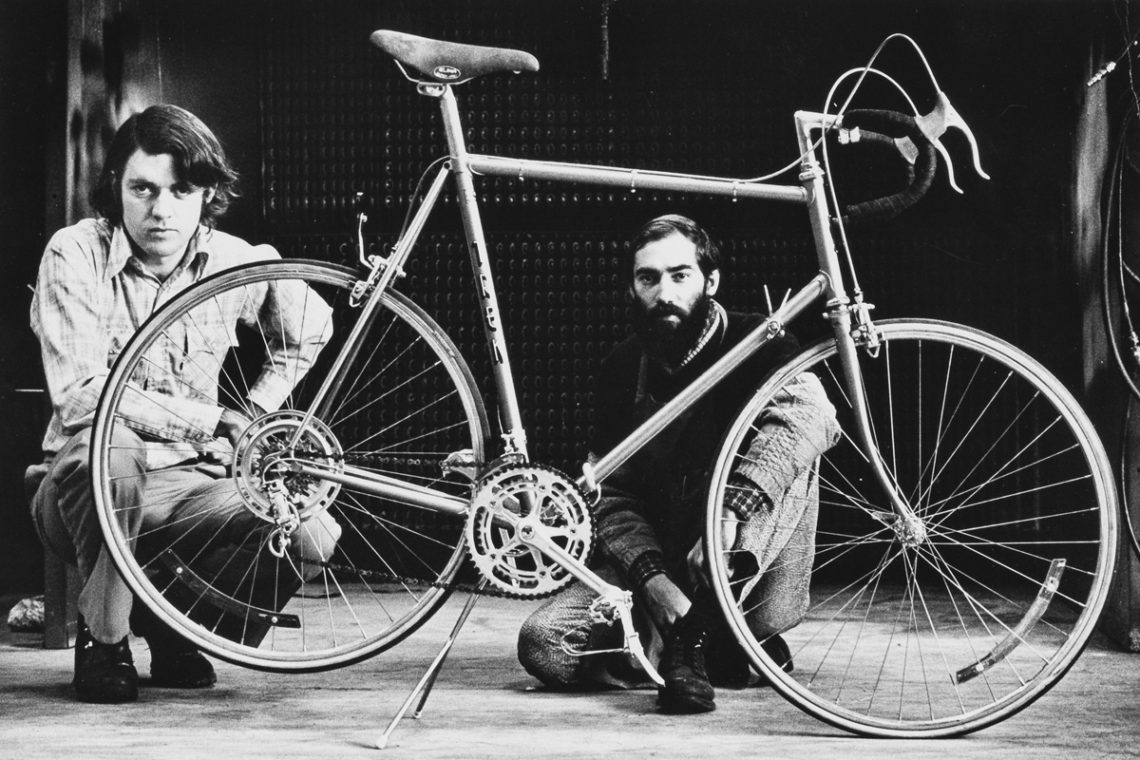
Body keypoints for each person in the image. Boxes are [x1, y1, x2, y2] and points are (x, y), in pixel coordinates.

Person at [29, 104, 341, 703]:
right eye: (143, 188)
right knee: (113, 447)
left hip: (191, 487)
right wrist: (217, 420)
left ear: (208, 194)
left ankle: (173, 623)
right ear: (116, 186)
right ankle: (105, 638)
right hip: (83, 487)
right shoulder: (75, 252)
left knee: (310, 530)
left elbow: (310, 330)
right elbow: (81, 395)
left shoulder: (235, 260)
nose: (162, 209)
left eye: (182, 190)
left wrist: (255, 415)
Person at [517, 214, 840, 714]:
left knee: (793, 445)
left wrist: (726, 515)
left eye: (680, 275)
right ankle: (716, 646)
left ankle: (695, 641)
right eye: (648, 278)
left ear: (711, 281)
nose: (664, 292)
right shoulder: (621, 367)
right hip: (665, 565)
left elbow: (813, 417)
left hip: (748, 563)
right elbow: (611, 494)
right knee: (545, 645)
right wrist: (653, 582)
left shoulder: (760, 339)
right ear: (632, 288)